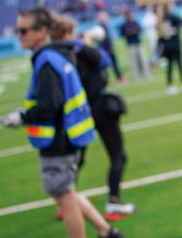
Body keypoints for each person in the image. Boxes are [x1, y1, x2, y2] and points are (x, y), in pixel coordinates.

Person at [0, 8, 123, 238]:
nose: (19, 35)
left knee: (65, 199)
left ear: (42, 31)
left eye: (23, 30)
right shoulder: (56, 55)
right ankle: (106, 231)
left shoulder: (47, 60)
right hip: (68, 136)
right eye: (17, 30)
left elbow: (50, 104)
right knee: (66, 193)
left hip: (58, 139)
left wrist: (22, 118)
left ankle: (105, 231)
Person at [50, 15, 136, 221]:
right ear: (68, 34)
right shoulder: (79, 49)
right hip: (98, 110)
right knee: (118, 156)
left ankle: (66, 203)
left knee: (77, 160)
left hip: (76, 115)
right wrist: (84, 43)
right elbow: (104, 61)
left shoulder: (52, 55)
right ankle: (114, 202)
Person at [157, 2, 182, 95]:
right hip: (175, 45)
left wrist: (159, 48)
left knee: (169, 67)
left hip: (166, 47)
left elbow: (159, 37)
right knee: (180, 65)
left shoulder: (160, 19)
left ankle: (170, 86)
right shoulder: (173, 17)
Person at [119, 9, 152, 82]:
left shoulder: (135, 22)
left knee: (143, 60)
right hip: (130, 45)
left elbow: (138, 30)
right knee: (134, 62)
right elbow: (123, 34)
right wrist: (130, 32)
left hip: (138, 43)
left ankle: (148, 74)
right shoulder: (124, 25)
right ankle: (136, 77)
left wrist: (132, 32)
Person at [96, 11, 125, 85]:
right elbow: (104, 40)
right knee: (111, 65)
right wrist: (109, 48)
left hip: (105, 49)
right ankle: (117, 79)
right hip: (106, 49)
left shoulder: (102, 26)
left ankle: (115, 79)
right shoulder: (102, 27)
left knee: (110, 65)